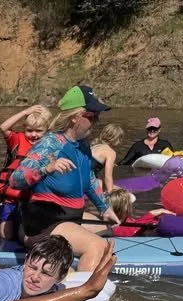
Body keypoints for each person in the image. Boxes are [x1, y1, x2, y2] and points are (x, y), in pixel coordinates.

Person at [9, 84, 120, 272]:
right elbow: (15, 179)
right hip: (42, 225)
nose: (97, 122)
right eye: (92, 117)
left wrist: (104, 207)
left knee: (108, 232)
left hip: (69, 219)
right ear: (75, 117)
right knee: (98, 246)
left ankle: (70, 267)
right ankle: (82, 298)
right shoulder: (50, 144)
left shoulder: (83, 146)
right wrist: (47, 168)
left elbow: (90, 181)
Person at [0, 104, 52, 244]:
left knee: (31, 233)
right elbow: (3, 127)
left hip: (35, 198)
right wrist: (25, 112)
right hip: (12, 197)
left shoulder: (50, 144)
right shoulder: (17, 139)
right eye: (29, 130)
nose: (33, 134)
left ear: (47, 130)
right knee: (5, 234)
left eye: (39, 131)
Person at [90, 123, 123, 192]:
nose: (120, 141)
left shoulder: (95, 145)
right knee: (119, 190)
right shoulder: (111, 152)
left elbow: (94, 163)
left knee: (101, 180)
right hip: (88, 180)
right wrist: (110, 192)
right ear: (114, 138)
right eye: (120, 138)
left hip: (79, 175)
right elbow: (108, 177)